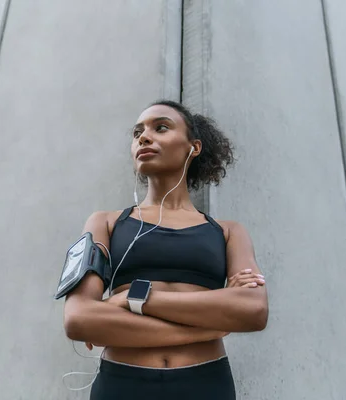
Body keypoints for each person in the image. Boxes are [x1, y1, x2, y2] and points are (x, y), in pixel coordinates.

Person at [63, 100, 269, 400]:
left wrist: (131, 298)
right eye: (137, 133)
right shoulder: (105, 223)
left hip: (205, 383)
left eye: (160, 127)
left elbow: (253, 309)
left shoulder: (228, 232)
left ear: (193, 147)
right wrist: (211, 327)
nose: (144, 137)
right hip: (121, 384)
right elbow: (78, 318)